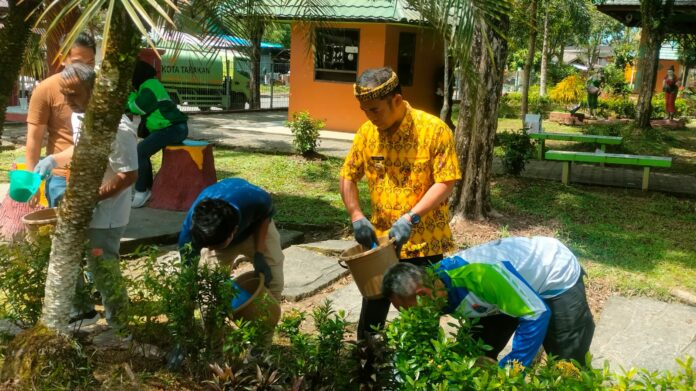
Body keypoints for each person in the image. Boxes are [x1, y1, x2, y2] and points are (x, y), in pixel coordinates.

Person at [339, 67, 461, 339]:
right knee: (371, 318)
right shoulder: (367, 133)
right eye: (365, 111)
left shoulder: (433, 130)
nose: (370, 117)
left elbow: (446, 181)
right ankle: (368, 370)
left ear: (396, 100)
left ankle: (422, 376)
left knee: (422, 318)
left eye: (375, 110)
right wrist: (356, 214)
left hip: (424, 243)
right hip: (380, 246)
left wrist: (411, 217)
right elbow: (348, 175)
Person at [382, 236, 595, 368]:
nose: (410, 317)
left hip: (553, 272)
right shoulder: (432, 280)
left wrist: (511, 369)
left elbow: (536, 314)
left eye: (409, 311)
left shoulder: (481, 277)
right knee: (472, 358)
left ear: (423, 294)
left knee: (568, 363)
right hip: (503, 293)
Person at [34, 62, 138, 331]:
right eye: (65, 95)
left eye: (74, 95)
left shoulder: (119, 129)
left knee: (103, 268)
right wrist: (53, 158)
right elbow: (80, 148)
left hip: (108, 215)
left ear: (94, 90)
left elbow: (128, 175)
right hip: (84, 205)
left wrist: (93, 198)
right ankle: (84, 312)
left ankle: (120, 327)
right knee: (68, 255)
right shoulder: (79, 115)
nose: (68, 102)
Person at [178, 178, 284, 300]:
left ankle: (270, 315)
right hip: (220, 233)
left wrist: (259, 253)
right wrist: (188, 302)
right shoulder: (191, 235)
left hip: (255, 227)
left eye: (215, 246)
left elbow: (264, 217)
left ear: (234, 232)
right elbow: (188, 276)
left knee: (274, 280)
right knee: (209, 290)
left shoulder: (257, 199)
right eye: (207, 246)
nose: (210, 249)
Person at [27, 32, 96, 207]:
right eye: (79, 64)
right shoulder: (46, 89)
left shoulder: (101, 88)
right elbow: (34, 139)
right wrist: (32, 183)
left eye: (91, 63)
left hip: (97, 171)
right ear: (63, 59)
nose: (85, 70)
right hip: (61, 177)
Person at [127, 60, 189, 208]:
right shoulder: (148, 85)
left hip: (173, 128)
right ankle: (146, 188)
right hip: (169, 128)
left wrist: (128, 96)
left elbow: (137, 108)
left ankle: (142, 190)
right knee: (142, 151)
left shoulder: (149, 87)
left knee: (140, 151)